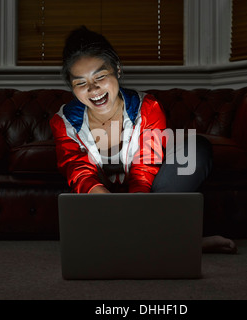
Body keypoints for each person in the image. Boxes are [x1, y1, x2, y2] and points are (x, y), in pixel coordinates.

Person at [50, 26, 236, 254]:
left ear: (117, 70)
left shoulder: (148, 107)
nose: (93, 88)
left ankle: (135, 238)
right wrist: (111, 206)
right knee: (82, 201)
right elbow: (79, 171)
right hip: (99, 198)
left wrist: (136, 207)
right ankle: (180, 243)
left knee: (197, 149)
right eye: (81, 83)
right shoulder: (64, 121)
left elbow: (145, 167)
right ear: (71, 87)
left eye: (100, 76)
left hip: (148, 193)